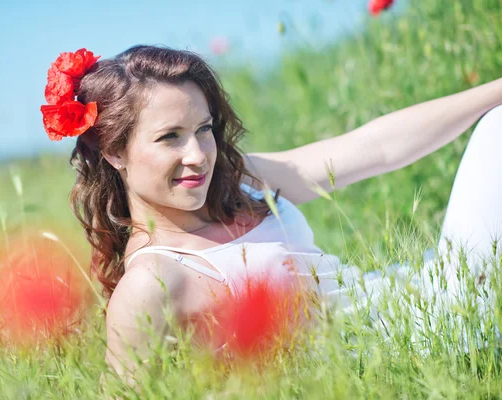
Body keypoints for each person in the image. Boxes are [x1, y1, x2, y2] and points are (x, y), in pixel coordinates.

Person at [39, 45, 502, 383]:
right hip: (417, 347)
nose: (199, 154)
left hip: (429, 295)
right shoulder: (152, 282)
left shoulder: (238, 179)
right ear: (113, 150)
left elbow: (375, 148)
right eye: (170, 137)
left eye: (203, 129)